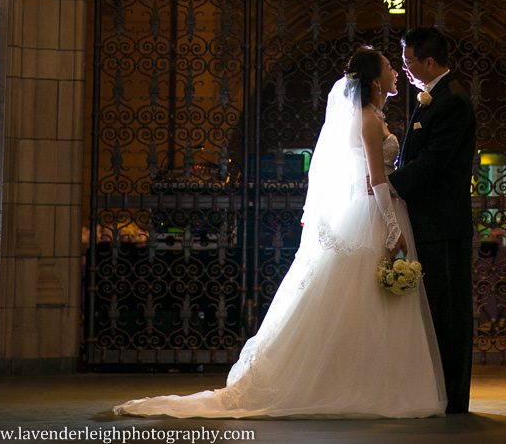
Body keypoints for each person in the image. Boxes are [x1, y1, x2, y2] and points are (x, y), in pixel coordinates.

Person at [114, 46, 446, 419]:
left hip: (378, 210)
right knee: (361, 297)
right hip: (372, 216)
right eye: (388, 66)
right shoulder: (368, 119)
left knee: (373, 300)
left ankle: (375, 381)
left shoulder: (375, 116)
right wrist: (392, 228)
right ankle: (352, 384)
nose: (396, 71)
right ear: (374, 80)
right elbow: (377, 179)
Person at [389, 26, 477, 414]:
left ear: (428, 61)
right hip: (427, 221)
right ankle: (436, 389)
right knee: (433, 309)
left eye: (408, 61)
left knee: (448, 311)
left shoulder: (452, 100)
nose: (404, 68)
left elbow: (435, 161)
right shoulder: (433, 97)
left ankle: (453, 396)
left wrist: (389, 185)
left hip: (443, 224)